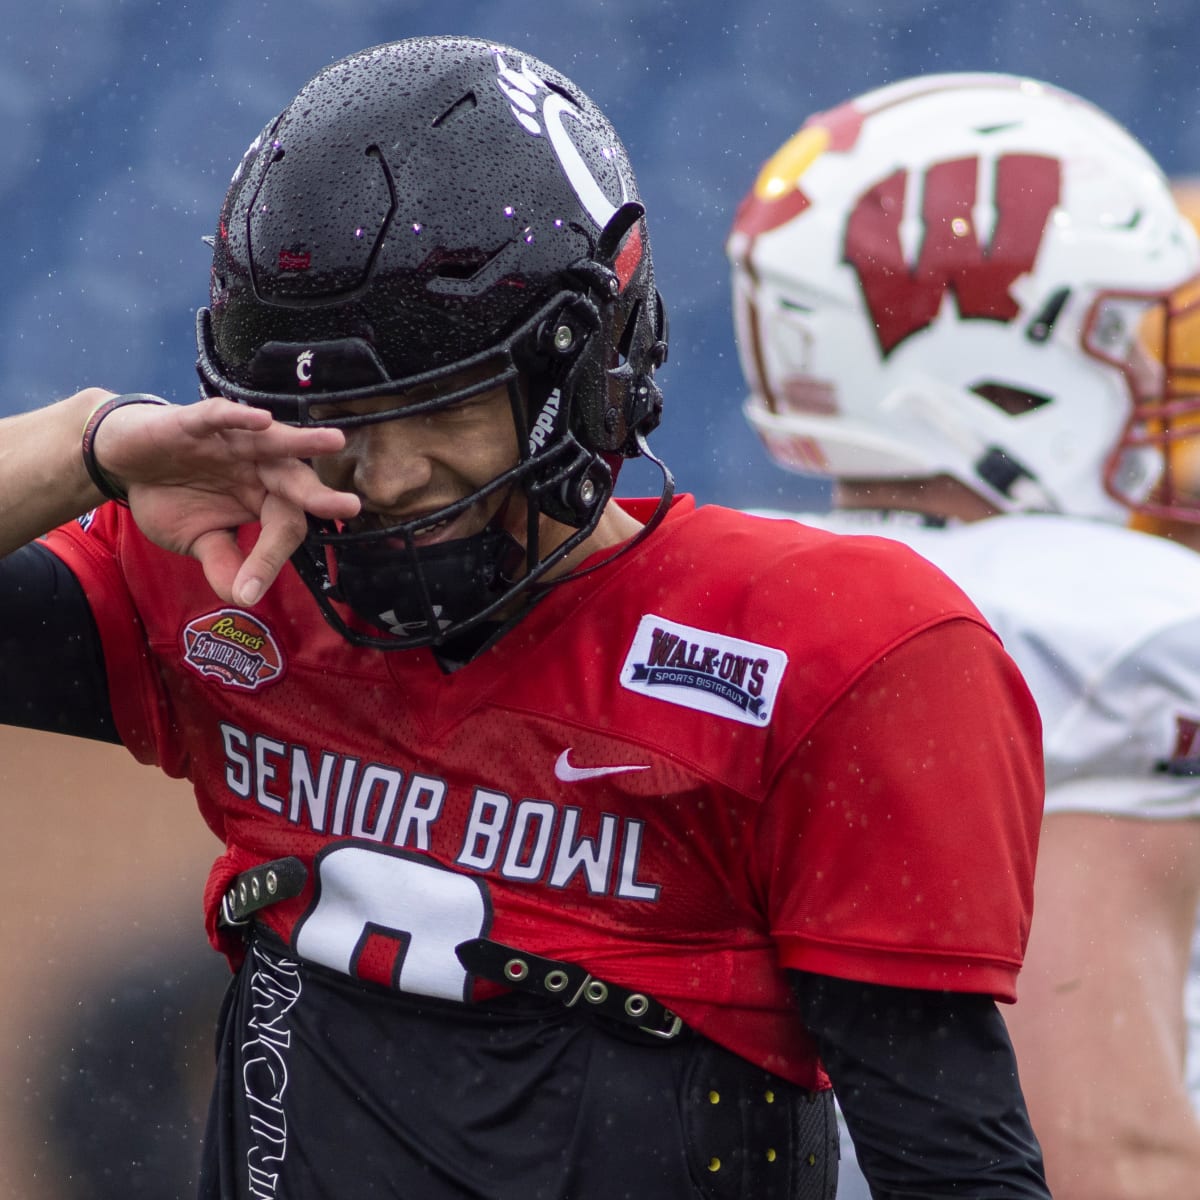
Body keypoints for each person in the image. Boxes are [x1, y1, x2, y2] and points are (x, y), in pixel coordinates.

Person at [0, 38, 1052, 1199]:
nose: (384, 473)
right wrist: (84, 444)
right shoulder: (236, 567)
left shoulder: (827, 651)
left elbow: (952, 1166)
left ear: (583, 361)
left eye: (434, 409)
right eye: (342, 416)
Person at [726, 71, 1200, 1200]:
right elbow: (1097, 1148)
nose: (1159, 384)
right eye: (1123, 335)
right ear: (994, 359)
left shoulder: (756, 582)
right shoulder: (1112, 628)